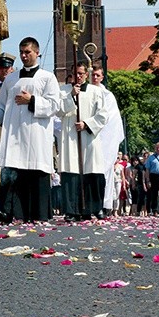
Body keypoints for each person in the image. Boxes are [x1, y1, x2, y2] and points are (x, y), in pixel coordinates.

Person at [0, 37, 60, 223]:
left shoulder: (48, 78)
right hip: (14, 136)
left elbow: (54, 105)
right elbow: (1, 106)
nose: (24, 56)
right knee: (11, 175)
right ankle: (9, 212)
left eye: (28, 52)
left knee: (35, 174)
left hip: (36, 135)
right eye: (22, 52)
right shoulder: (10, 79)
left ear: (37, 53)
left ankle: (38, 214)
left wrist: (32, 100)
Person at [57, 61, 108, 221]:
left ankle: (94, 208)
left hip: (89, 138)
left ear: (86, 74)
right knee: (71, 173)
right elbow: (58, 111)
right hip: (70, 139)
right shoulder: (64, 91)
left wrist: (87, 124)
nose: (78, 77)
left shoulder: (95, 92)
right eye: (75, 74)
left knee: (92, 171)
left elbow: (103, 115)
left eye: (81, 73)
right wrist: (71, 96)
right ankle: (72, 211)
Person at [90, 66, 126, 216]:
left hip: (105, 138)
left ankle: (104, 204)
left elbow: (112, 119)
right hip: (89, 136)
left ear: (102, 77)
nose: (95, 78)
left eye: (97, 75)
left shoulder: (108, 95)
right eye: (93, 75)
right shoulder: (85, 92)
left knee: (104, 170)